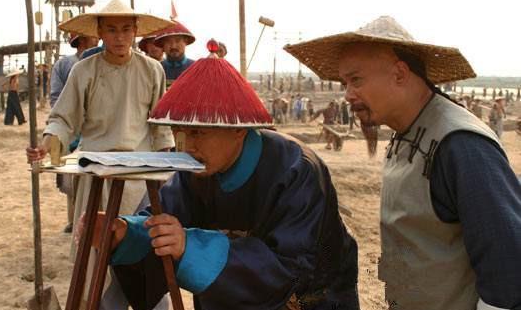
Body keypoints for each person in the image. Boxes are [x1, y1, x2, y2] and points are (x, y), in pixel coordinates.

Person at [87, 41, 359, 310]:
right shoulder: (195, 169)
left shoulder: (296, 170)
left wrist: (191, 247)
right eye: (179, 131)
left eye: (198, 132)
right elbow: (162, 220)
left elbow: (292, 266)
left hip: (312, 297)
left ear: (239, 129)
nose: (187, 144)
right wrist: (126, 234)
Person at [285, 16, 521, 309]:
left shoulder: (461, 146)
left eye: (356, 79)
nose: (347, 94)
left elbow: (509, 275)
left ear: (399, 73)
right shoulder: (406, 131)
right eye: (344, 82)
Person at [26, 0, 175, 310]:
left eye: (125, 29)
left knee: (143, 252)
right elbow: (64, 119)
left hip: (140, 177)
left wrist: (167, 172)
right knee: (96, 258)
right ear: (100, 32)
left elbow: (161, 126)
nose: (119, 37)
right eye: (111, 29)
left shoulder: (152, 70)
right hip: (96, 176)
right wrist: (48, 144)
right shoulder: (84, 71)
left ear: (135, 32)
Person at [49, 32, 99, 232]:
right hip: (70, 128)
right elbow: (56, 98)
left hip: (94, 130)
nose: (96, 39)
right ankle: (74, 220)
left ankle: (92, 221)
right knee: (71, 180)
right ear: (80, 41)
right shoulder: (64, 65)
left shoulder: (100, 61)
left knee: (92, 180)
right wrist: (67, 122)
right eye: (91, 37)